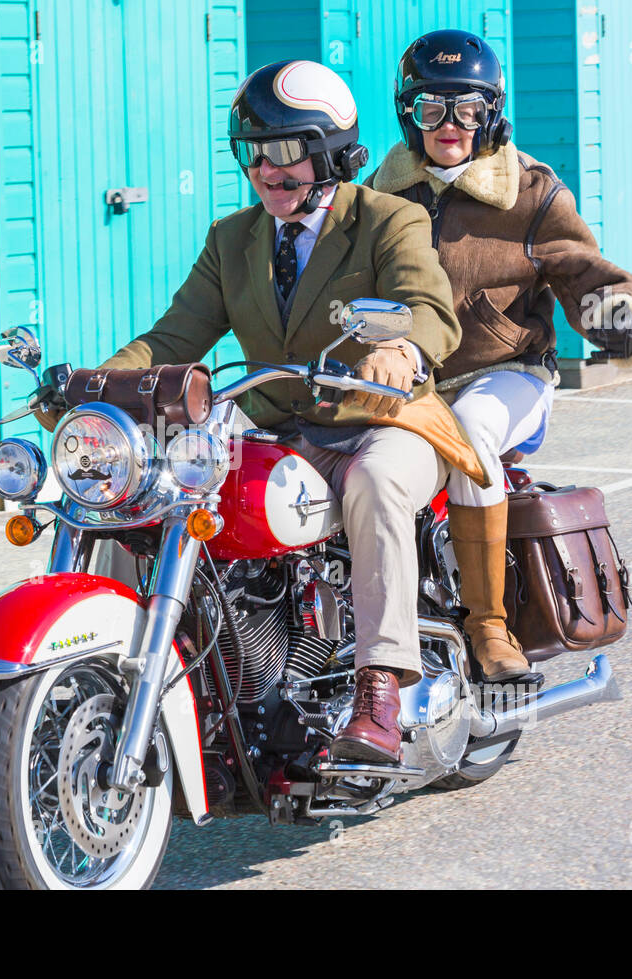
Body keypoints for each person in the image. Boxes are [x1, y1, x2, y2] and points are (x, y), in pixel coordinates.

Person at [40, 60, 489, 764]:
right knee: (159, 489)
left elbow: (428, 309)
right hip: (282, 429)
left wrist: (398, 351)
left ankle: (378, 687)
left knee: (375, 484)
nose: (266, 171)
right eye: (253, 152)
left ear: (333, 153)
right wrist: (94, 385)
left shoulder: (388, 220)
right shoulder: (234, 239)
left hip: (385, 421)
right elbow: (172, 338)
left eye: (285, 151)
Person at [366, 29, 632, 682]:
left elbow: (583, 269)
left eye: (465, 108)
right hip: (410, 381)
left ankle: (489, 627)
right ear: (407, 114)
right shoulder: (378, 196)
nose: (447, 125)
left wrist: (617, 314)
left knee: (470, 434)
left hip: (507, 375)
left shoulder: (531, 192)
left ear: (490, 111)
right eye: (429, 108)